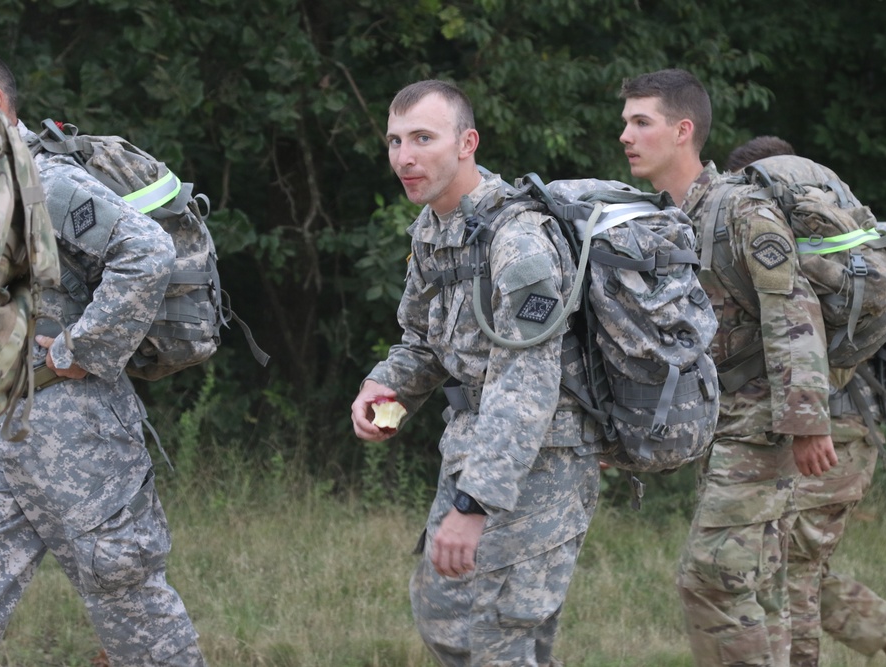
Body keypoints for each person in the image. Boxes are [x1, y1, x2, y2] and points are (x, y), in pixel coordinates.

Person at [350, 79, 600, 666]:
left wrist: (475, 505)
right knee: (449, 620)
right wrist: (385, 384)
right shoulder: (435, 228)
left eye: (422, 138)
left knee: (492, 639)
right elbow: (422, 340)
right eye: (394, 141)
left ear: (467, 143)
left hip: (539, 462)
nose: (404, 157)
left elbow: (526, 382)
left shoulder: (519, 242)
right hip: (472, 449)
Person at [618, 68, 838, 667]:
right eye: (626, 123)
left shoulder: (741, 211)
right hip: (720, 420)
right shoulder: (661, 216)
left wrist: (807, 421)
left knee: (711, 579)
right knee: (757, 580)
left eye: (641, 122)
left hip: (763, 421)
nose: (626, 136)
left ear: (683, 130)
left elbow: (792, 311)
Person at [0, 55, 207, 665]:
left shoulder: (45, 179)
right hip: (5, 435)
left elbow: (146, 248)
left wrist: (79, 351)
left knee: (134, 616)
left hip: (77, 442)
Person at [725, 136, 886, 667]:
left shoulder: (812, 247)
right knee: (790, 565)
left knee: (787, 570)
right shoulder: (838, 237)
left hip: (832, 433)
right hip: (832, 431)